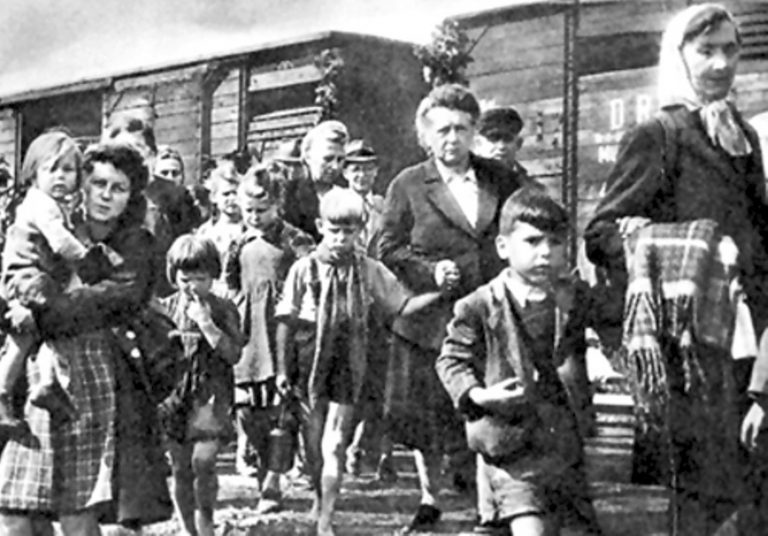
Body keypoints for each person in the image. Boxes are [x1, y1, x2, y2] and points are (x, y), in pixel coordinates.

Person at [584, 4, 768, 534]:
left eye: (730, 50)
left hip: (753, 343)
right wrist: (684, 248)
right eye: (705, 51)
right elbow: (601, 234)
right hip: (695, 353)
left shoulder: (743, 137)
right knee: (704, 505)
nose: (721, 63)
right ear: (678, 56)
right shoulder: (659, 134)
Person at [0, 141, 172, 535]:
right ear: (83, 183)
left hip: (97, 377)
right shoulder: (54, 218)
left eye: (118, 188)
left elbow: (110, 300)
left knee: (78, 511)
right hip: (37, 374)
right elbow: (17, 272)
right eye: (98, 184)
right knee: (17, 509)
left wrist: (38, 313)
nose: (106, 195)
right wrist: (19, 297)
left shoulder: (135, 243)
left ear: (131, 196)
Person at [378, 83, 526, 533]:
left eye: (461, 128)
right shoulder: (407, 183)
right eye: (442, 130)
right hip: (431, 319)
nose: (452, 139)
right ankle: (431, 501)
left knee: (487, 407)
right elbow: (388, 247)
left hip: (488, 314)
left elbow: (522, 227)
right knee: (426, 416)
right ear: (425, 135)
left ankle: (489, 509)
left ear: (473, 131)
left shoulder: (501, 178)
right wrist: (429, 271)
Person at [275, 188, 449, 536]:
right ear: (320, 226)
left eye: (349, 231)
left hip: (349, 356)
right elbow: (285, 320)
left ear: (360, 230)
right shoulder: (303, 268)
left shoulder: (368, 269)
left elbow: (400, 305)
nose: (341, 239)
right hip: (309, 354)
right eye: (334, 230)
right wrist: (282, 368)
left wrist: (439, 292)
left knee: (335, 441)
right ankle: (318, 496)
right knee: (313, 442)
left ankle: (326, 518)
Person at [436, 188, 602, 536]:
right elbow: (451, 361)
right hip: (509, 445)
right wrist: (480, 395)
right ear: (502, 247)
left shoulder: (572, 297)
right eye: (532, 241)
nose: (545, 252)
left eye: (555, 242)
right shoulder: (479, 305)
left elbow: (612, 316)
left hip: (562, 443)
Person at [0, 132, 114, 431]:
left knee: (46, 327)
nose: (60, 176)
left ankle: (48, 383)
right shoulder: (41, 204)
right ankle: (8, 390)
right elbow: (61, 242)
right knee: (42, 324)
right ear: (34, 174)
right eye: (50, 169)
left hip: (39, 279)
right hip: (28, 276)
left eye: (68, 170)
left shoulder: (57, 204)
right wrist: (89, 262)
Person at [224, 164, 314, 510]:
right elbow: (231, 282)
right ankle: (264, 468)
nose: (255, 217)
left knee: (282, 410)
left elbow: (312, 277)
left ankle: (273, 483)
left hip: (281, 331)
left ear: (278, 205)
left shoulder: (294, 239)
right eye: (249, 210)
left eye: (262, 210)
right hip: (249, 333)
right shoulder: (239, 241)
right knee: (248, 410)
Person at [158, 234, 242, 536]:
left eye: (201, 279)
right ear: (173, 276)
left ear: (213, 276)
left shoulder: (224, 308)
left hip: (211, 393)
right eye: (185, 279)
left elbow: (233, 354)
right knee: (180, 467)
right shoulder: (165, 309)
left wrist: (206, 324)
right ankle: (187, 528)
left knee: (203, 461)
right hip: (174, 396)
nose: (192, 286)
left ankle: (206, 522)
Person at [104, 114, 201, 295]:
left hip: (165, 296)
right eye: (121, 150)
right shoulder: (102, 197)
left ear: (153, 154)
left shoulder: (176, 197)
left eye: (137, 148)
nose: (129, 156)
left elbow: (188, 252)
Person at [340, 139, 391, 477]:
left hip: (379, 299)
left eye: (368, 168)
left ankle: (368, 447)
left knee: (378, 375)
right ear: (345, 172)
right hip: (346, 298)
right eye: (355, 169)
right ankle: (345, 445)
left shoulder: (384, 206)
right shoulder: (335, 204)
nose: (362, 175)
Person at [283, 121, 349, 241]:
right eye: (328, 159)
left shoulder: (347, 196)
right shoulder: (289, 195)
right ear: (308, 157)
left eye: (340, 159)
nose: (335, 166)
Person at [196, 162, 242, 298]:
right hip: (215, 294)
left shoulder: (249, 229)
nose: (232, 199)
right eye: (226, 194)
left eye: (236, 193)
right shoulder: (206, 232)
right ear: (214, 197)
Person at [474, 107, 529, 179]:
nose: (501, 146)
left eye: (508, 138)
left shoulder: (530, 184)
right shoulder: (464, 183)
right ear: (478, 144)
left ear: (518, 143)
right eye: (494, 139)